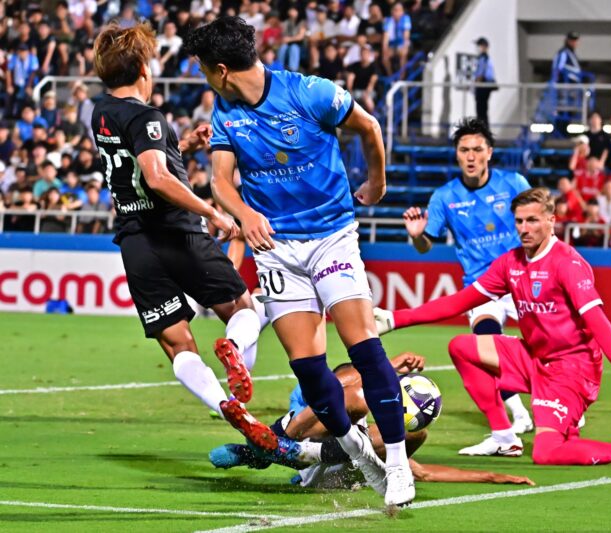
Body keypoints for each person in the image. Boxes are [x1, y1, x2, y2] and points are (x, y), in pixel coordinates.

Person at [184, 16, 415, 507]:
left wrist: (377, 184)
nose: (205, 78)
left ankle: (396, 464)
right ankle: (357, 452)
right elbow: (221, 182)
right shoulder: (226, 115)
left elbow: (369, 126)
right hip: (279, 250)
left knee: (364, 349)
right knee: (309, 370)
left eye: (204, 70)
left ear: (221, 69)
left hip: (332, 237)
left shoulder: (308, 91)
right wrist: (244, 213)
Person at [374, 188, 611, 467]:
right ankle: (504, 436)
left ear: (551, 221)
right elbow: (459, 302)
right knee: (461, 347)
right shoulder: (510, 263)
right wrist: (396, 319)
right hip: (534, 358)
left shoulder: (568, 264)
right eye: (519, 221)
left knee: (547, 452)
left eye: (533, 220)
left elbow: (597, 321)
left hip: (572, 370)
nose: (524, 228)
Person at [90, 23, 272, 451]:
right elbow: (155, 175)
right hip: (177, 232)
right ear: (141, 69)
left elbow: (136, 162)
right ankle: (233, 345)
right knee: (243, 307)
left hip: (135, 243)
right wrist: (213, 210)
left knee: (177, 344)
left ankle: (227, 406)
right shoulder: (146, 116)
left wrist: (182, 145)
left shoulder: (101, 113)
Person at [209, 353, 535, 488]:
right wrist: (390, 367)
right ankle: (263, 451)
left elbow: (422, 472)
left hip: (323, 468)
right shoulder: (343, 392)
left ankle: (265, 451)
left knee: (415, 437)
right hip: (304, 433)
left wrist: (491, 476)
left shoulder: (377, 430)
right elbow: (346, 387)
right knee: (349, 400)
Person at [401, 118, 534, 437]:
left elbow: (538, 223)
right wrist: (418, 235)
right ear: (457, 155)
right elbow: (424, 246)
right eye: (464, 150)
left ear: (489, 152)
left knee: (546, 345)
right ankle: (519, 415)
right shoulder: (445, 197)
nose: (471, 156)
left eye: (477, 149)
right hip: (482, 287)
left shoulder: (514, 183)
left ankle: (559, 397)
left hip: (522, 278)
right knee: (486, 347)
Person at [473, 37, 496, 126]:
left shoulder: (483, 58)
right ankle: (483, 131)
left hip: (483, 86)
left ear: (484, 46)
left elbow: (480, 74)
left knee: (481, 111)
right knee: (482, 111)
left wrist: (476, 84)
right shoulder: (484, 58)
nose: (477, 48)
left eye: (479, 45)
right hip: (484, 86)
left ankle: (483, 131)